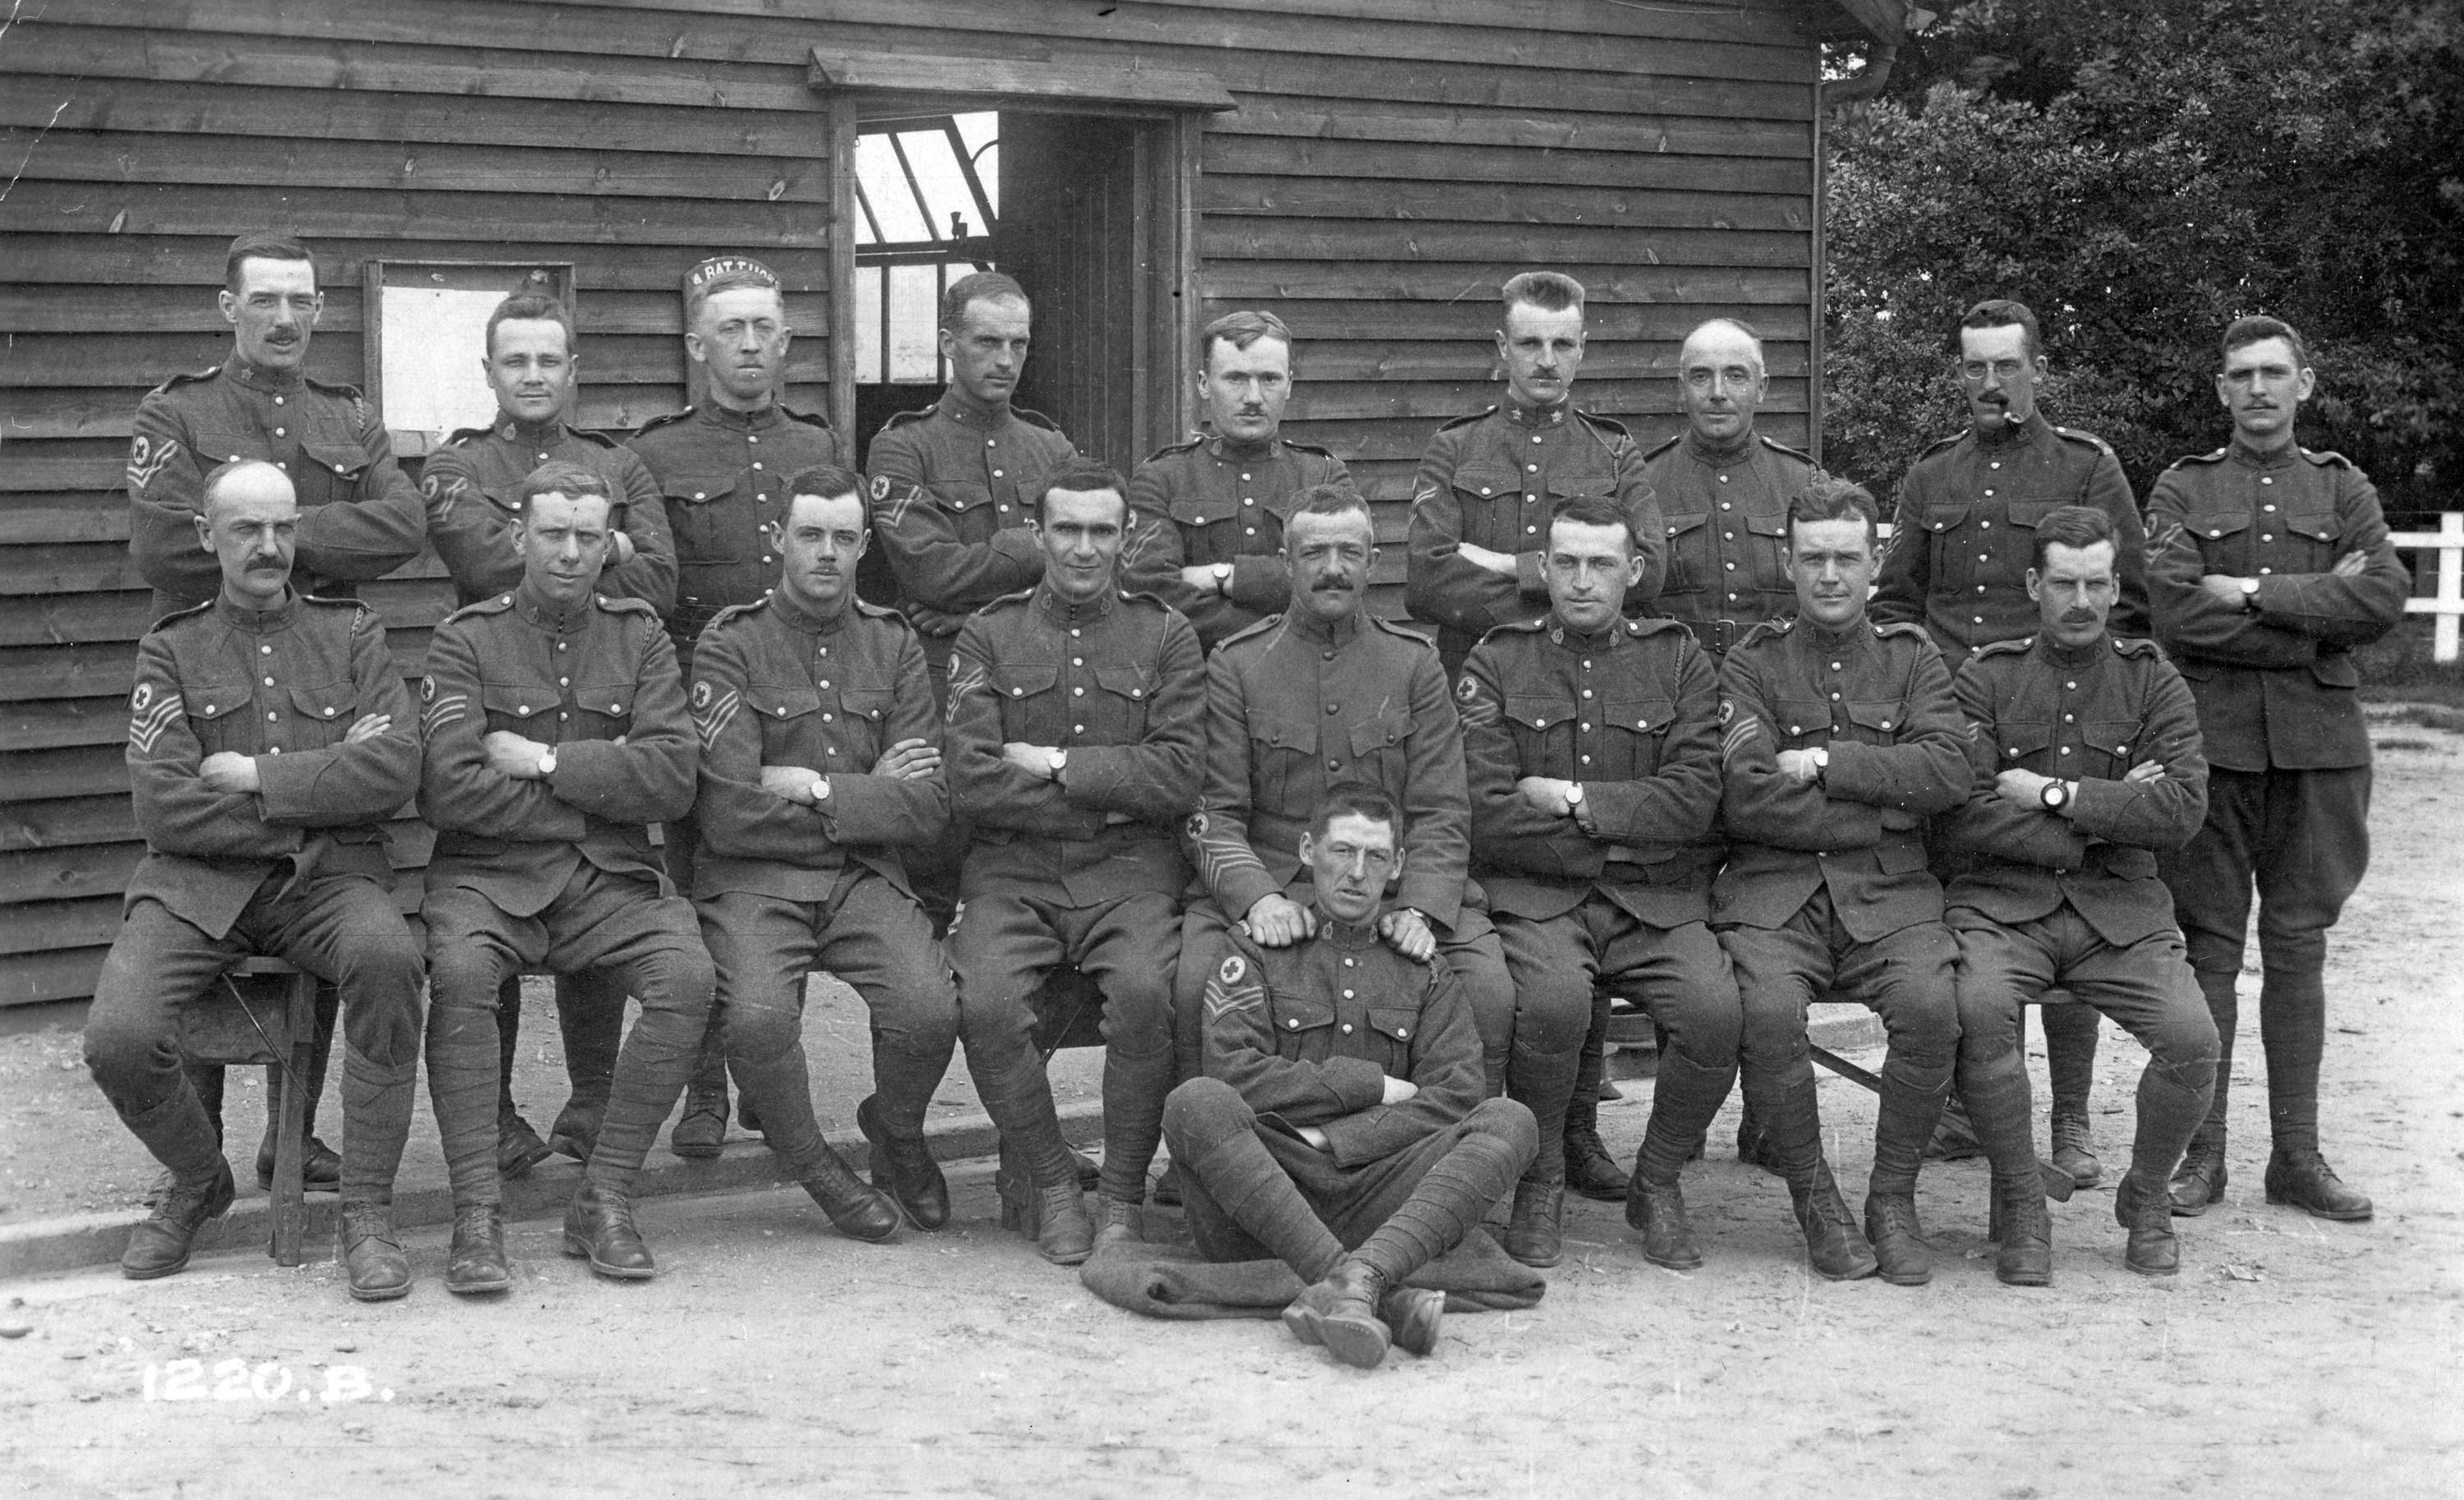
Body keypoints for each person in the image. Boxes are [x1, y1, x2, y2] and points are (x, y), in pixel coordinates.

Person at [85, 460, 425, 1299]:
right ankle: (199, 1178)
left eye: (282, 527)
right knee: (118, 1038)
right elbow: (165, 808)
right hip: (196, 889)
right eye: (246, 529)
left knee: (389, 959)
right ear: (208, 536)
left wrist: (257, 776)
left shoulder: (351, 634)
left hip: (325, 884)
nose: (269, 546)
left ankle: (366, 1212)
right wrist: (322, 783)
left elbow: (395, 769)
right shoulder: (170, 648)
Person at [417, 462, 715, 1288]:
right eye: (554, 533)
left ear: (607, 542)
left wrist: (545, 761)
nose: (571, 552)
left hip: (608, 879)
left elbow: (672, 777)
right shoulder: (465, 638)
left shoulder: (641, 635)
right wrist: (599, 788)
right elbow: (448, 787)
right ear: (520, 537)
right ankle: (476, 1213)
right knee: (463, 969)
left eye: (589, 535)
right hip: (486, 879)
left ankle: (605, 1192)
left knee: (687, 973)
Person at [1873, 299, 2149, 1189]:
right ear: (1959, 375)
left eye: (2006, 365)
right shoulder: (1932, 476)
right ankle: (1971, 1101)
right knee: (1973, 909)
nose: (1990, 383)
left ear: (2036, 369)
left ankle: (2068, 1114)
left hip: (2066, 710)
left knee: (2072, 900)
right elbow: (1896, 603)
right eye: (1974, 367)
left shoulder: (2085, 465)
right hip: (1958, 727)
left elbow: (2132, 598)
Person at [2145, 315, 2409, 1224]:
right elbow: (2177, 615)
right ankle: (2202, 1154)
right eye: (2240, 376)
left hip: (2319, 750)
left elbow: (2382, 596)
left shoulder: (2342, 487)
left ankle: (2296, 1156)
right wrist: (2312, 615)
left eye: (2273, 373)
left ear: (2305, 382)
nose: (2257, 390)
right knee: (2209, 946)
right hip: (2211, 745)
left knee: (2299, 947)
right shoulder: (2185, 487)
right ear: (2220, 390)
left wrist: (2254, 592)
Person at [422, 288, 678, 1176]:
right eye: (515, 360)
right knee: (493, 911)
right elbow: (484, 560)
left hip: (593, 679)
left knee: (594, 897)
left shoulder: (623, 462)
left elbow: (666, 577)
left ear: (575, 371)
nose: (533, 375)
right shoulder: (456, 464)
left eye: (549, 360)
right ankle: (489, 1119)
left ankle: (593, 1101)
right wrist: (608, 543)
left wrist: (547, 536)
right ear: (489, 370)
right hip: (498, 672)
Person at [1556, 315, 1813, 1199]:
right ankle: (1685, 1108)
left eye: (1734, 374)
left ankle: (1768, 1111)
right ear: (1679, 385)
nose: (1716, 392)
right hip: (1670, 720)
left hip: (1773, 726)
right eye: (1699, 375)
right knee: (1674, 898)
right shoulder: (1642, 485)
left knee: (1770, 907)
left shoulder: (1803, 484)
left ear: (1763, 385)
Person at [1163, 785, 1538, 1370]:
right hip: (1266, 1192)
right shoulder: (1256, 948)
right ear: (1309, 850)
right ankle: (1376, 1286)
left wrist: (1334, 1140)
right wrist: (1373, 1087)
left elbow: (1458, 1095)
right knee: (1196, 1102)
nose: (1357, 873)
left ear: (1399, 868)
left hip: (1385, 1198)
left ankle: (1354, 1277)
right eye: (1342, 851)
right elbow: (1235, 1074)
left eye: (1376, 858)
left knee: (1509, 1120)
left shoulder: (1422, 968)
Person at [1939, 504, 2220, 1281]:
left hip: (2120, 913)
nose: (2082, 601)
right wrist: (2111, 807)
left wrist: (2053, 794)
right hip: (2002, 909)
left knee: (2193, 1041)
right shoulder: (1986, 675)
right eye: (2065, 582)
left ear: (2114, 585)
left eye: (2097, 583)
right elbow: (1963, 810)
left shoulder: (2150, 677)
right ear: (2034, 584)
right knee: (1977, 1011)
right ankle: (2023, 1201)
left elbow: (2182, 810)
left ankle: (2147, 1193)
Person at [1459, 496, 1739, 1269]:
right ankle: (1541, 1180)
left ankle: (1659, 1179)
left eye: (1602, 564)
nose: (1583, 582)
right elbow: (1486, 812)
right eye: (1568, 564)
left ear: (1634, 572)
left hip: (1654, 904)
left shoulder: (1678, 659)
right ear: (1544, 570)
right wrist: (1617, 837)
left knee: (1717, 1015)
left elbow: (1694, 798)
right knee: (1549, 1005)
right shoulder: (1497, 660)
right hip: (1542, 900)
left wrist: (1577, 801)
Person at [1182, 486, 1515, 1118]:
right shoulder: (1237, 665)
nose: (1332, 567)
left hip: (1390, 884)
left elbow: (1443, 809)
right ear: (1286, 563)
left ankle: (1455, 1154)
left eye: (1348, 552)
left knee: (1489, 989)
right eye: (1314, 553)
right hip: (1278, 878)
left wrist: (1419, 906)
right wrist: (1259, 898)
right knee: (1191, 981)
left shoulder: (1413, 665)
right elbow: (1213, 815)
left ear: (1373, 561)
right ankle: (1203, 1155)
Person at [943, 458, 1204, 1264]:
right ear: (1039, 531)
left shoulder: (1166, 634)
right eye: (1068, 528)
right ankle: (1055, 1180)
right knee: (984, 1002)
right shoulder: (990, 632)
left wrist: (1056, 764)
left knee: (1145, 995)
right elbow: (972, 781)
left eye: (1101, 530)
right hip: (1014, 873)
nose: (1084, 547)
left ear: (1125, 536)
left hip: (1129, 876)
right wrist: (1114, 789)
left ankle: (1121, 1189)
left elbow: (1178, 773)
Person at [1713, 476, 1971, 1284]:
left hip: (1891, 898)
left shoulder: (1912, 657)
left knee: (1934, 1007)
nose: (1831, 575)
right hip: (1773, 895)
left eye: (1848, 559)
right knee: (1769, 1011)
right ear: (1788, 563)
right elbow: (1746, 794)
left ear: (1871, 566)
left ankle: (1891, 1197)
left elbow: (1950, 768)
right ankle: (1815, 1196)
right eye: (1814, 558)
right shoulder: (1751, 661)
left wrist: (1829, 763)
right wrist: (1877, 809)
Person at [687, 466, 951, 1238]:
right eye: (810, 535)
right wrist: (869, 793)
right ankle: (819, 1170)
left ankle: (894, 1130)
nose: (826, 553)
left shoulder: (893, 643)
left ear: (865, 546)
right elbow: (731, 814)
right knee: (760, 1020)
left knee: (930, 1009)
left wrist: (816, 788)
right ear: (779, 541)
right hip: (754, 883)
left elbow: (927, 805)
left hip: (862, 877)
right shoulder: (731, 643)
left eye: (843, 537)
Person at [627, 255, 842, 1158]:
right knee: (697, 888)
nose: (749, 345)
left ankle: (769, 1077)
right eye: (730, 329)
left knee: (779, 882)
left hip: (800, 700)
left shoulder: (817, 447)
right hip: (697, 704)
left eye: (764, 329)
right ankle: (704, 1089)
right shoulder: (656, 452)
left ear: (786, 341)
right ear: (697, 344)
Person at [126, 232, 426, 619]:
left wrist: (251, 534)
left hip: (327, 645)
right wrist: (326, 551)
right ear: (229, 307)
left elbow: (404, 526)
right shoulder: (174, 411)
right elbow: (164, 549)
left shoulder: (352, 416)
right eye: (264, 300)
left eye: (300, 302)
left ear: (318, 308)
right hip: (206, 649)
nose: (285, 320)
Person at [1405, 270, 1662, 675]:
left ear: (1582, 348)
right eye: (1530, 343)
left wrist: (1512, 566)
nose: (1546, 360)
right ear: (1503, 347)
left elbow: (1648, 571)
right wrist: (1576, 597)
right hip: (1475, 670)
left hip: (1587, 675)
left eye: (1562, 344)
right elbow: (1426, 584)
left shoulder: (1613, 451)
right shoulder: (1454, 446)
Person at [866, 271, 1079, 670]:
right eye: (988, 342)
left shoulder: (1053, 448)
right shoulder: (903, 446)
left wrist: (975, 618)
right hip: (944, 668)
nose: (1005, 360)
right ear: (948, 343)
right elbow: (930, 575)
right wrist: (1037, 546)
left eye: (1019, 345)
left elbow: (1093, 570)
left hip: (1044, 664)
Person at [1120, 310, 1353, 651]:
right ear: (1203, 384)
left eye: (1270, 379)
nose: (1254, 397)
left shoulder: (1322, 475)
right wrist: (1272, 627)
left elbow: (1338, 576)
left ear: (1289, 385)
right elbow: (1152, 592)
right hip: (1199, 674)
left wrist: (1222, 577)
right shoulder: (1161, 478)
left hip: (1306, 669)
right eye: (1236, 379)